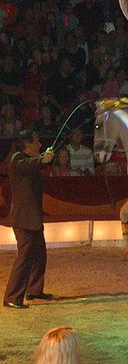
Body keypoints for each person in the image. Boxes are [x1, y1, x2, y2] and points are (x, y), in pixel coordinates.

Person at [3, 129, 54, 309]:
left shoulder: (28, 161)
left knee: (40, 255)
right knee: (24, 258)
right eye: (37, 141)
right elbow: (31, 165)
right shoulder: (17, 158)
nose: (40, 144)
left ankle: (34, 290)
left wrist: (45, 159)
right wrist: (42, 159)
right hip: (23, 219)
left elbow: (36, 164)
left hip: (32, 218)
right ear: (28, 144)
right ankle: (12, 297)